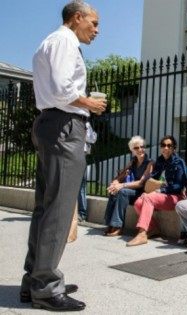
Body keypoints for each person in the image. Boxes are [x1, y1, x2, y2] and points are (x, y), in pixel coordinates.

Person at [20, 1, 106, 312]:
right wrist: (90, 104)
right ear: (77, 17)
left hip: (55, 125)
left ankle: (36, 280)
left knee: (46, 208)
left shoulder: (55, 42)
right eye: (93, 23)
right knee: (57, 209)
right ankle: (45, 285)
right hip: (63, 127)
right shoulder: (63, 42)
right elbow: (61, 90)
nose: (97, 30)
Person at [127, 135, 187, 246]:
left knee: (148, 198)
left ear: (174, 148)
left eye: (169, 146)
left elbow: (179, 186)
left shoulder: (179, 162)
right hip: (160, 195)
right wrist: (152, 184)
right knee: (138, 203)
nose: (166, 148)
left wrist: (161, 190)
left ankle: (142, 234)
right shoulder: (160, 161)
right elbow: (153, 178)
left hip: (175, 197)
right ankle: (153, 228)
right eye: (163, 145)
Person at [103, 136, 153, 237]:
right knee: (114, 191)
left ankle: (118, 226)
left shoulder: (150, 163)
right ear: (132, 150)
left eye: (142, 146)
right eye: (136, 148)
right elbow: (119, 177)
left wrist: (121, 185)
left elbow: (141, 183)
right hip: (130, 191)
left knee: (122, 191)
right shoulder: (133, 162)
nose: (140, 149)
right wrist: (115, 184)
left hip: (140, 192)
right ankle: (110, 224)